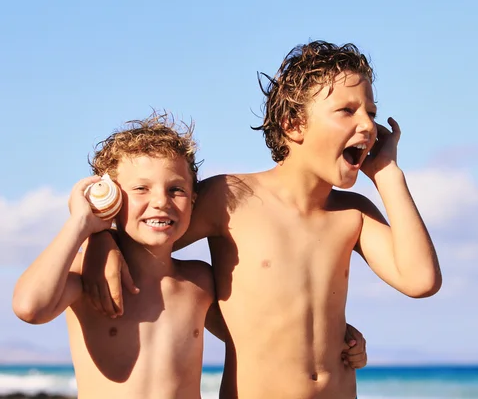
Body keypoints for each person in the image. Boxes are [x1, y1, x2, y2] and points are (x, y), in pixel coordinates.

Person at [83, 40, 441, 399]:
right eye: (347, 110)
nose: (368, 126)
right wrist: (102, 241)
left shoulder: (354, 214)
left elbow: (420, 280)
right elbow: (147, 235)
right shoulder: (231, 197)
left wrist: (389, 175)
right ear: (294, 124)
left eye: (372, 113)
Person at [12, 114, 215, 398]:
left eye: (176, 190)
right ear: (110, 196)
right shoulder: (86, 278)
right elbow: (29, 307)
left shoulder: (200, 281)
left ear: (193, 200)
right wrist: (82, 225)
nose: (160, 201)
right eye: (141, 188)